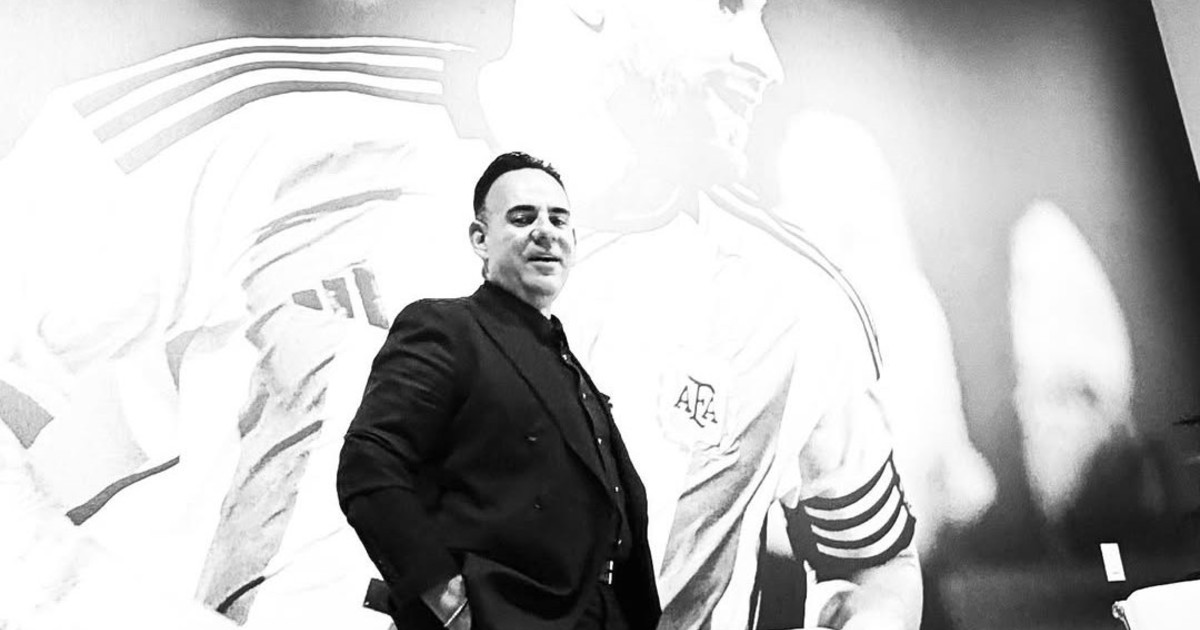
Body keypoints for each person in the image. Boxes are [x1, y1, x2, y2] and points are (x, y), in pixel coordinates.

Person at [336, 151, 661, 630]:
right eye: (523, 217)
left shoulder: (567, 363)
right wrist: (453, 607)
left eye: (559, 219)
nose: (546, 231)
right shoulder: (446, 328)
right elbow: (369, 464)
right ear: (480, 238)